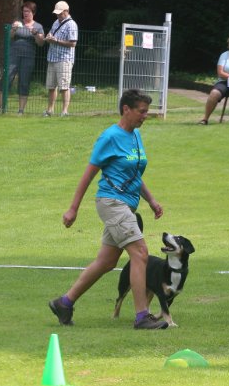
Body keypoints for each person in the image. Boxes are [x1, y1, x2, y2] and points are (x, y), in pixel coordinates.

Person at [49, 89, 169, 330]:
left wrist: (151, 200)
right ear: (126, 109)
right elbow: (88, 175)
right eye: (142, 111)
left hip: (126, 205)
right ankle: (142, 316)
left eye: (146, 111)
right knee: (140, 253)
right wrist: (73, 209)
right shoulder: (110, 137)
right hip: (112, 203)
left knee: (106, 262)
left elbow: (134, 173)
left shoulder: (135, 136)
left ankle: (64, 302)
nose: (145, 116)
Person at [0, 1, 44, 115]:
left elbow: (41, 43)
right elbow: (9, 37)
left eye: (28, 11)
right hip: (13, 56)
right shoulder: (17, 23)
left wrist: (35, 33)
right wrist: (13, 29)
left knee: (24, 82)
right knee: (6, 78)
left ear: (33, 12)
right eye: (24, 11)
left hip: (28, 58)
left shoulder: (38, 26)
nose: (25, 13)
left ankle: (21, 110)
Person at [43, 1, 78, 117]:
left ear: (66, 11)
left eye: (60, 13)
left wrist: (56, 41)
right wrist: (48, 37)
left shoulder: (72, 24)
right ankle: (50, 110)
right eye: (57, 13)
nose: (58, 15)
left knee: (64, 86)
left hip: (64, 59)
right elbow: (51, 34)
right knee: (51, 86)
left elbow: (73, 43)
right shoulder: (55, 22)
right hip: (52, 57)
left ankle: (64, 111)